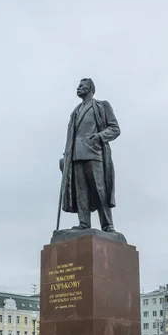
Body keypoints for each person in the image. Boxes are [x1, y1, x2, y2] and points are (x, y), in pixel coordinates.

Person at [59, 78, 120, 232]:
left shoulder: (101, 106)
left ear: (91, 88)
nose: (78, 88)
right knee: (81, 191)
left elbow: (114, 129)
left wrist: (99, 137)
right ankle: (84, 222)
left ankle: (107, 225)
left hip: (94, 153)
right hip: (76, 155)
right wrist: (66, 157)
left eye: (82, 86)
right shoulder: (75, 112)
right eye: (78, 85)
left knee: (100, 190)